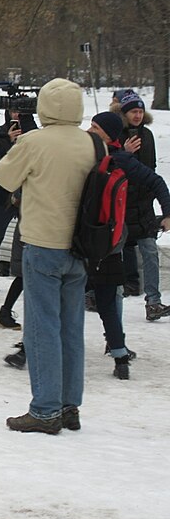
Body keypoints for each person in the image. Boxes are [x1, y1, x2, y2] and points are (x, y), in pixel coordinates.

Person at [0, 78, 97, 435]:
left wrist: (16, 146)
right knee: (72, 328)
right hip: (81, 247)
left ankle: (45, 409)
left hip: (43, 245)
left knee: (41, 328)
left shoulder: (34, 142)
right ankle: (70, 406)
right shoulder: (92, 143)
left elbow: (4, 177)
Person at [86, 111, 170, 379]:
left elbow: (157, 182)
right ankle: (118, 350)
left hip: (104, 237)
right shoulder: (94, 153)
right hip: (98, 236)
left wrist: (167, 212)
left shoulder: (117, 158)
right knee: (107, 295)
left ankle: (117, 344)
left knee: (109, 294)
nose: (90, 130)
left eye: (95, 127)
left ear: (108, 134)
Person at [114, 91, 170, 321]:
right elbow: (111, 163)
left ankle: (153, 302)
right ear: (124, 114)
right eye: (133, 112)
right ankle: (103, 296)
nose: (137, 115)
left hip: (143, 205)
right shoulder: (116, 134)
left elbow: (152, 168)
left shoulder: (147, 135)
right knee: (113, 254)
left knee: (150, 252)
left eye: (140, 111)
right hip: (122, 205)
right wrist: (125, 152)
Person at [0, 111, 38, 292]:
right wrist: (7, 140)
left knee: (29, 239)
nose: (17, 115)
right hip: (0, 195)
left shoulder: (34, 133)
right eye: (13, 111)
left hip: (27, 195)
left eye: (21, 111)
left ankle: (25, 277)